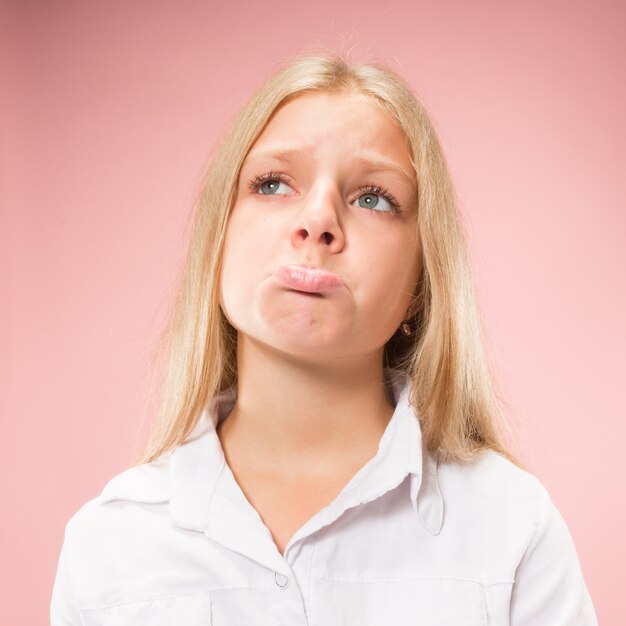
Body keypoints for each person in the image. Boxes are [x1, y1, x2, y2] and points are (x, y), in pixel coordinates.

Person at [50, 47, 598, 625]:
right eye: (272, 184)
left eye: (373, 198)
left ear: (421, 284)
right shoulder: (108, 544)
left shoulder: (512, 527)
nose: (317, 220)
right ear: (219, 241)